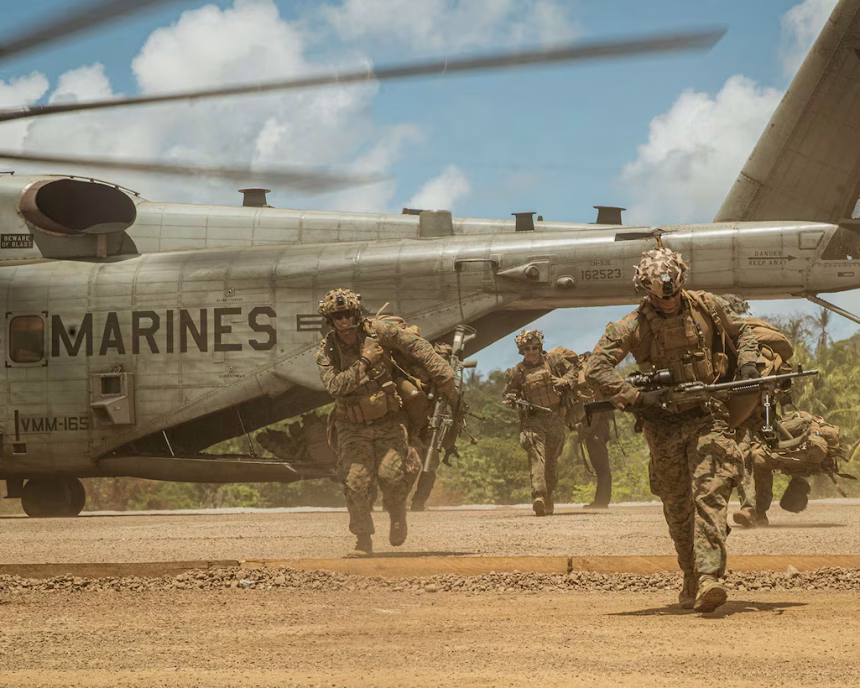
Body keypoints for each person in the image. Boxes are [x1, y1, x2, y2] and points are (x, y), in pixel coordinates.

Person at [585, 248, 759, 613]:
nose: (668, 302)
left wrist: (747, 366)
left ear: (681, 283)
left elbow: (744, 332)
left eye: (673, 293)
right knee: (678, 508)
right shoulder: (632, 325)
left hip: (707, 416)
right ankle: (691, 576)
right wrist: (636, 398)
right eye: (659, 297)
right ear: (645, 291)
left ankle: (710, 577)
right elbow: (595, 368)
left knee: (709, 494)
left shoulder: (707, 306)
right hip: (662, 426)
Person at [315, 288, 459, 558]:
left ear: (356, 314)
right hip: (351, 426)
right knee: (355, 483)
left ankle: (397, 515)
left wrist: (445, 377)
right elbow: (335, 386)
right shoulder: (327, 351)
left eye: (348, 314)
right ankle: (363, 539)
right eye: (337, 317)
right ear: (330, 320)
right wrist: (364, 361)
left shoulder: (379, 331)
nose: (344, 321)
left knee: (392, 478)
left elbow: (416, 346)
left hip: (388, 420)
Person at [503, 329, 578, 516]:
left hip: (555, 417)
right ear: (522, 351)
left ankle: (548, 496)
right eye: (527, 349)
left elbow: (573, 371)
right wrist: (513, 399)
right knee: (537, 456)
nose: (531, 352)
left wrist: (564, 381)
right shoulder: (517, 371)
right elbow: (508, 392)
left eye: (534, 348)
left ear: (540, 347)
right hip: (533, 419)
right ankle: (538, 495)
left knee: (551, 460)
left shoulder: (554, 361)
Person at [576, 351, 613, 509]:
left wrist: (588, 431)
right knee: (600, 465)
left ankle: (602, 501)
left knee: (601, 465)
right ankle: (601, 500)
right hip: (597, 428)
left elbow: (596, 411)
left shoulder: (593, 384)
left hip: (596, 429)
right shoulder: (595, 381)